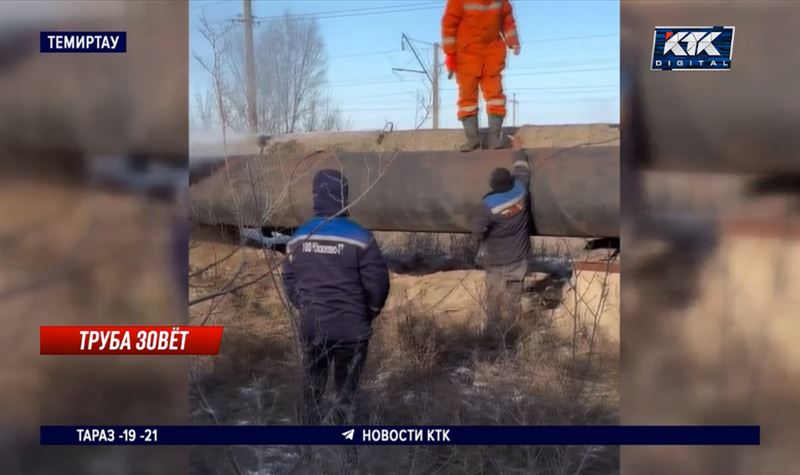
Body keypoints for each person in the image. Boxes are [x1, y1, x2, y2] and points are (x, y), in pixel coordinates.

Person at [282, 169, 390, 426]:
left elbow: (289, 278)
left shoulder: (299, 236)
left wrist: (305, 306)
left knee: (312, 385)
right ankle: (341, 450)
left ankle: (306, 442)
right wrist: (369, 311)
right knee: (345, 393)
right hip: (351, 328)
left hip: (313, 325)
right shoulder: (361, 236)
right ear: (344, 196)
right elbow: (378, 282)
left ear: (315, 196)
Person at [442, 0, 521, 152]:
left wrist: (513, 41)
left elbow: (507, 20)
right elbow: (449, 24)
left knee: (495, 96)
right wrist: (450, 53)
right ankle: (473, 140)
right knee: (467, 98)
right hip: (466, 54)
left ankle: (494, 138)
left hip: (492, 54)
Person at [471, 156, 531, 320]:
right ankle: (512, 328)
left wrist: (483, 237)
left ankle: (494, 328)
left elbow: (477, 230)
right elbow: (522, 171)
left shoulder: (489, 205)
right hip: (518, 258)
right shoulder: (521, 191)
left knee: (493, 300)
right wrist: (520, 153)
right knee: (514, 299)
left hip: (496, 261)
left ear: (493, 186)